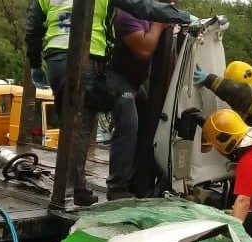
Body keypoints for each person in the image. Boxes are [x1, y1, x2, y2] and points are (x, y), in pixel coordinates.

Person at [25, 0, 195, 206]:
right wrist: (182, 16)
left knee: (74, 125)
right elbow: (143, 7)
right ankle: (110, 187)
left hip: (56, 62)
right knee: (107, 115)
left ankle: (76, 188)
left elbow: (33, 28)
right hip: (86, 59)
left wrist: (35, 64)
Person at [106, 12, 168, 200]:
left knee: (149, 119)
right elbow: (144, 49)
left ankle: (135, 179)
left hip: (134, 83)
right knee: (129, 123)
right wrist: (159, 24)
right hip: (114, 77)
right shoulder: (127, 15)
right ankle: (117, 186)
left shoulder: (148, 14)